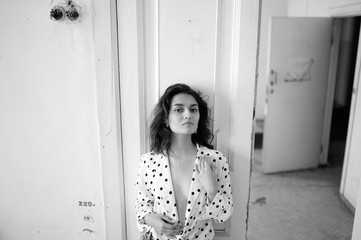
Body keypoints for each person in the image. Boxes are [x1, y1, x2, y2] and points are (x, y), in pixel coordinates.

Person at [135, 83, 233, 240]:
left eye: (193, 109)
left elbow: (223, 215)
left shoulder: (215, 159)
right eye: (179, 109)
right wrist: (149, 219)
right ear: (166, 119)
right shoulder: (149, 161)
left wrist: (212, 190)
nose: (188, 115)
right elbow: (142, 204)